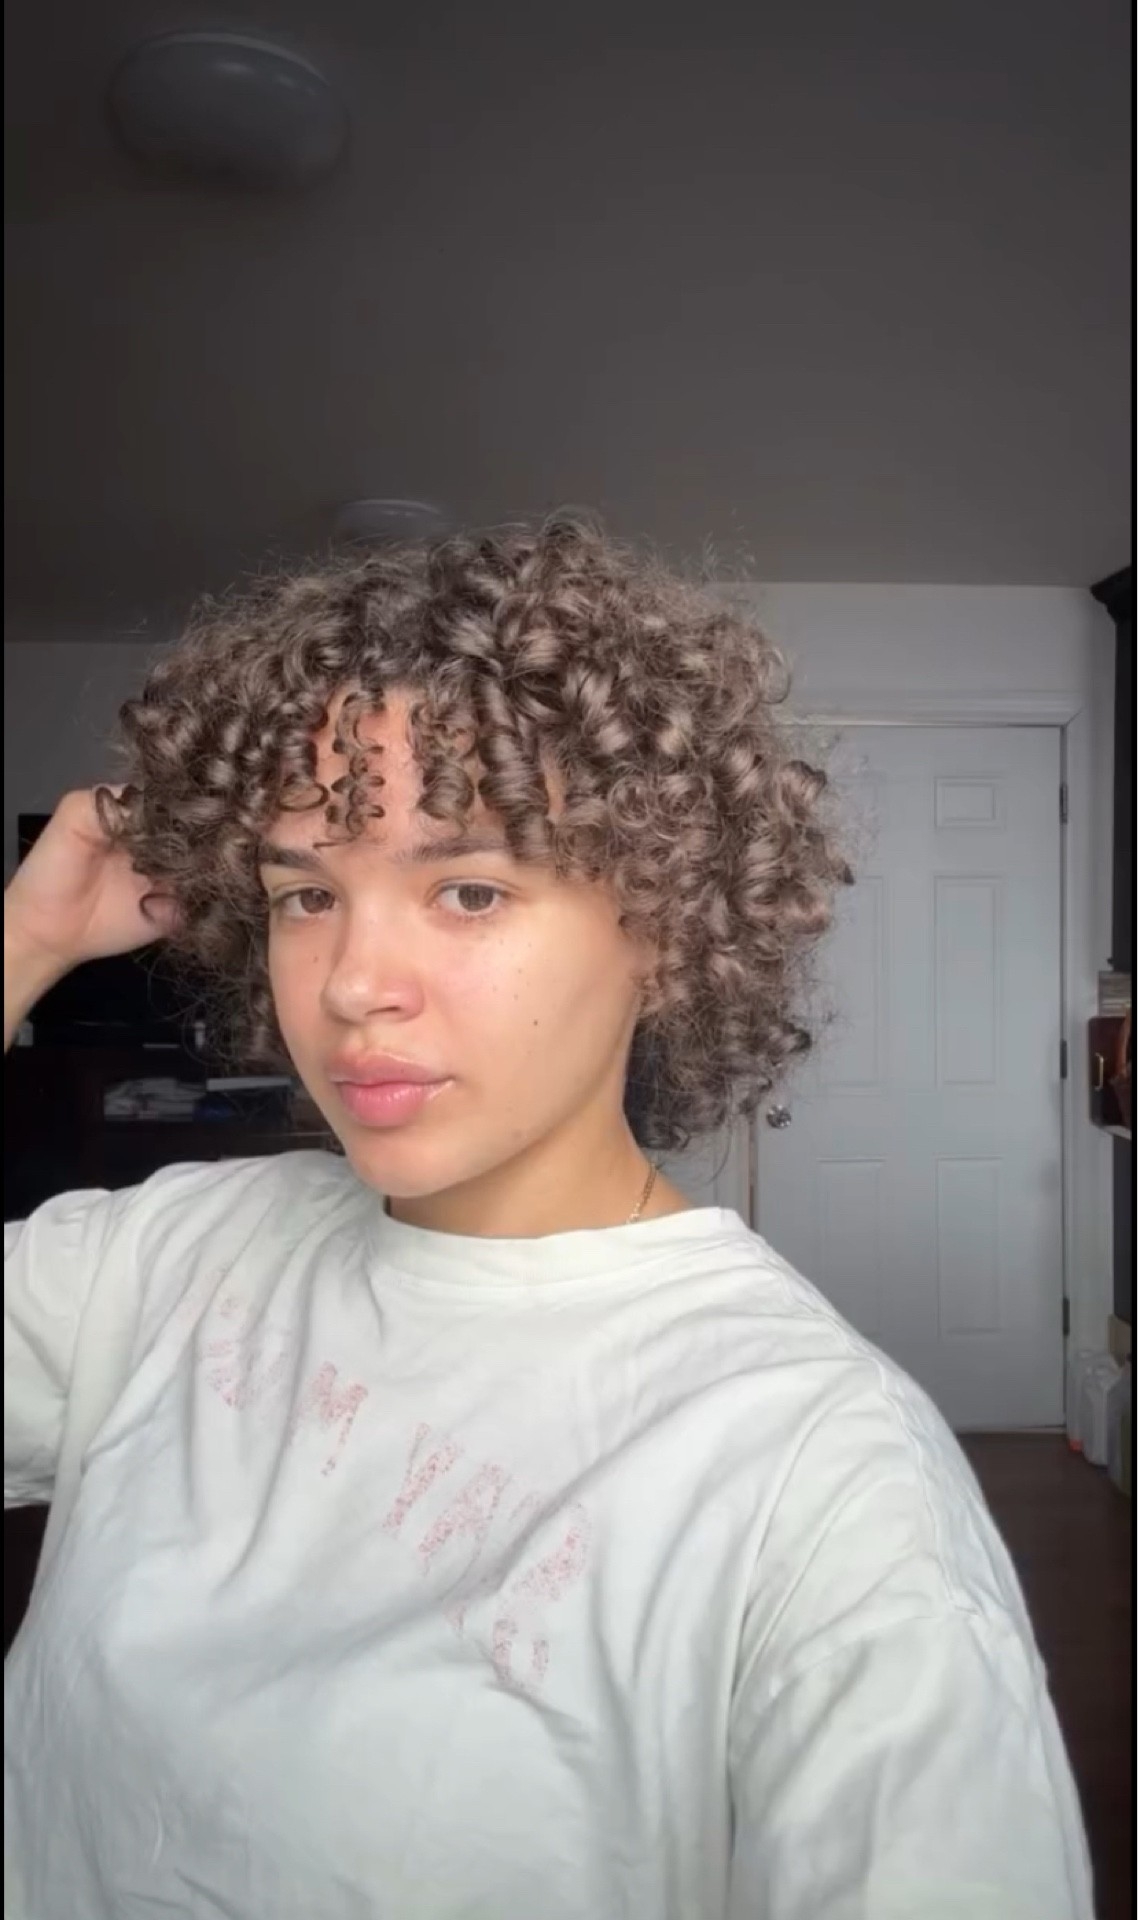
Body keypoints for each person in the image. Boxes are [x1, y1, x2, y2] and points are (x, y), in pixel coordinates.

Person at [4, 519, 1092, 1919]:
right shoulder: (163, 1258)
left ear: (665, 926)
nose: (351, 983)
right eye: (306, 895)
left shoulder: (817, 1478)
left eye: (467, 889)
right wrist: (24, 941)